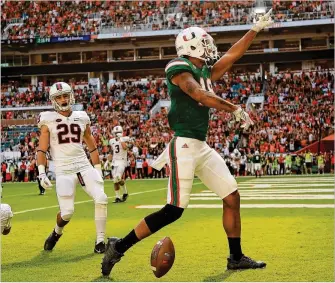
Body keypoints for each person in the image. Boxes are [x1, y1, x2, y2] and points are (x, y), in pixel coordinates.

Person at [101, 10, 273, 276]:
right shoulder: (178, 68)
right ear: (190, 45)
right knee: (173, 211)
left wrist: (254, 30)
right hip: (183, 146)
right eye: (205, 42)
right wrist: (234, 108)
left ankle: (235, 257)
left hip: (201, 146)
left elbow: (231, 55)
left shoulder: (204, 70)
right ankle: (119, 247)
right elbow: (199, 94)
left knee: (231, 196)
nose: (210, 47)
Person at [37, 82, 108, 254]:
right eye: (59, 97)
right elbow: (42, 149)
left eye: (65, 95)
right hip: (64, 170)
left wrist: (97, 168)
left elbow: (91, 145)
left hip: (83, 166)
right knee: (67, 213)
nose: (63, 99)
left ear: (71, 96)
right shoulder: (48, 119)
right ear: (53, 100)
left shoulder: (82, 116)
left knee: (102, 198)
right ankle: (56, 232)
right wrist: (41, 173)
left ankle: (100, 241)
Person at [109, 126, 129, 203]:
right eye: (116, 133)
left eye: (118, 132)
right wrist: (108, 161)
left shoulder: (125, 139)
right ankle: (118, 197)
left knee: (117, 177)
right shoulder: (111, 141)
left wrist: (120, 139)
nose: (117, 134)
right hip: (114, 161)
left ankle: (125, 192)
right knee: (115, 180)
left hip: (122, 161)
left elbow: (125, 148)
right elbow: (112, 151)